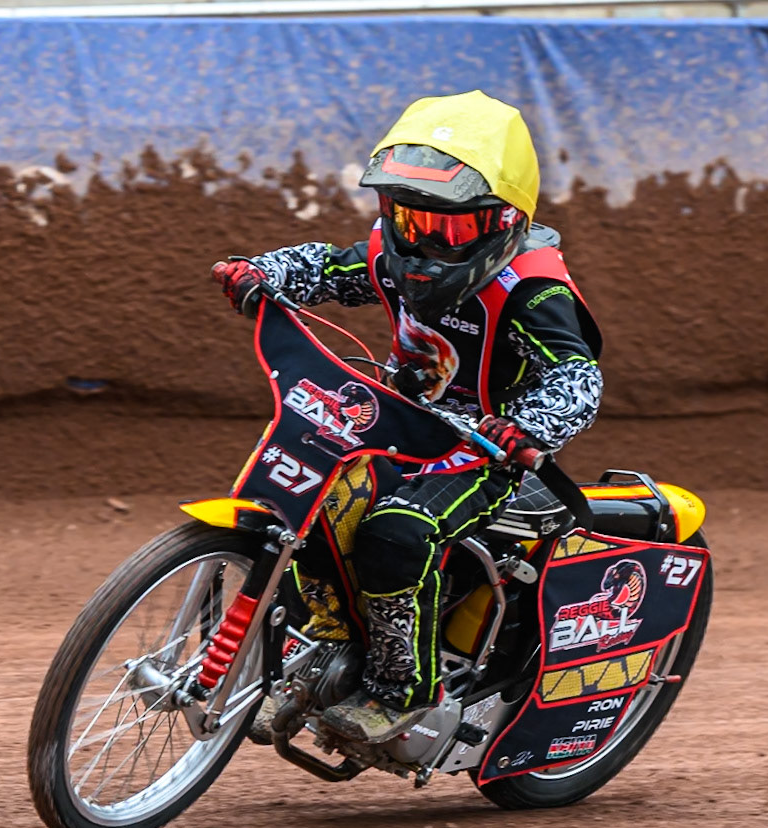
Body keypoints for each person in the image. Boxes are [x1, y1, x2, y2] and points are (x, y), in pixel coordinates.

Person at [212, 90, 603, 746]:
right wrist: (262, 270)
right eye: (409, 221)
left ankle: (401, 690)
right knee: (306, 494)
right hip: (397, 423)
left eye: (449, 231)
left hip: (486, 450)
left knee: (396, 533)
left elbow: (577, 376)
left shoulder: (532, 291)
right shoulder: (385, 257)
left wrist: (529, 425)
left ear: (504, 222)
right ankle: (323, 645)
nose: (423, 247)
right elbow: (327, 268)